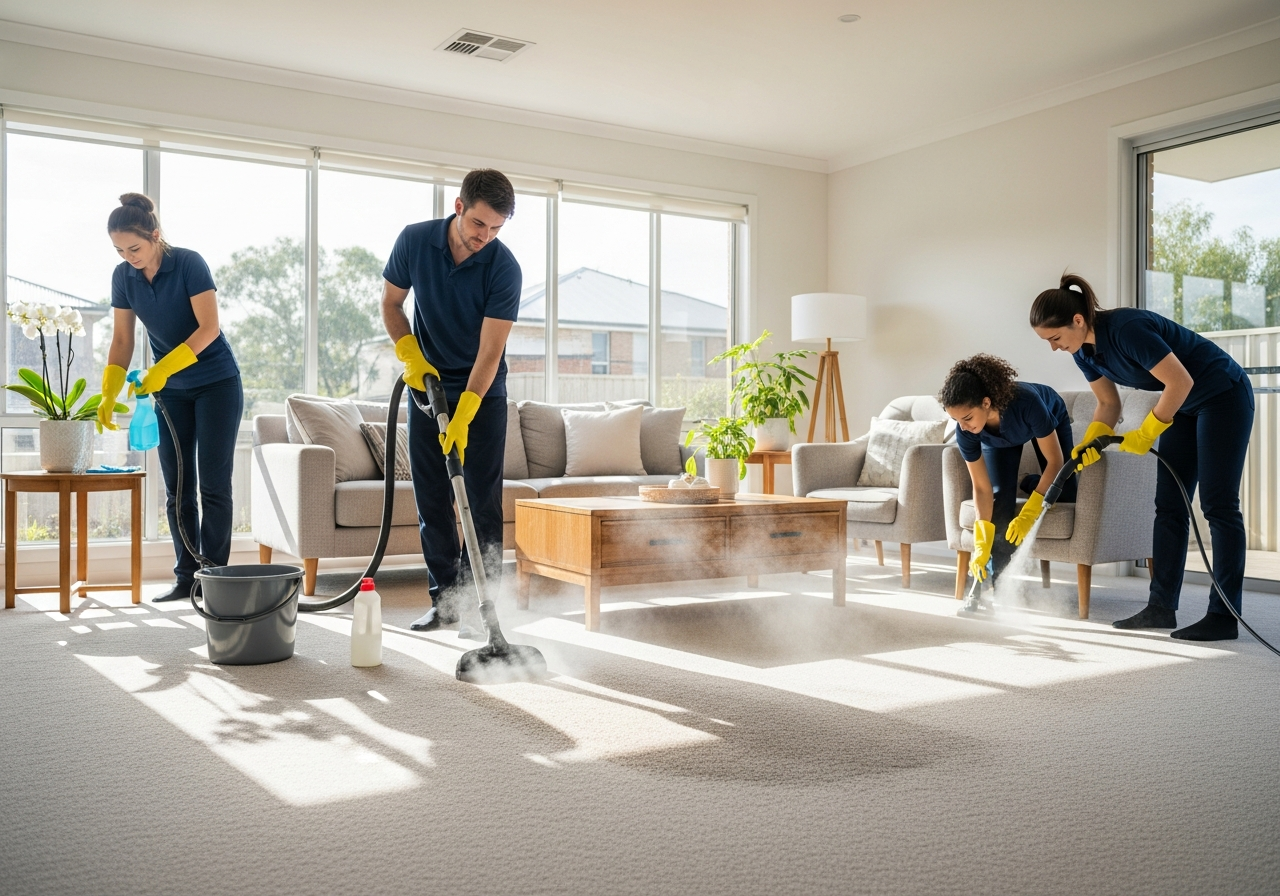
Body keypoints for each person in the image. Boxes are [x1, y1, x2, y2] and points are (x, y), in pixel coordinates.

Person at [1030, 273, 1254, 641]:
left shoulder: (1126, 328)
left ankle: (1224, 615)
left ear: (1078, 320)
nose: (1054, 347)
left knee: (1219, 505)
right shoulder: (1084, 352)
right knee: (1168, 505)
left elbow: (1180, 381)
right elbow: (1108, 402)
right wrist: (1092, 440)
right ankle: (1161, 607)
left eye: (1055, 338)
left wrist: (1148, 431)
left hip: (1222, 395)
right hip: (1185, 408)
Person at [380, 170, 521, 634]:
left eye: (497, 228)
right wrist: (410, 356)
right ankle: (444, 602)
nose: (486, 237)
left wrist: (466, 411)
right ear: (459, 206)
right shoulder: (415, 241)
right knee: (433, 499)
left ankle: (484, 606)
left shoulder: (504, 267)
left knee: (481, 501)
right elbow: (391, 304)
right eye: (480, 224)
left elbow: (490, 351)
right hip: (427, 384)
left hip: (482, 390)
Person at [101, 193, 243, 602]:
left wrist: (161, 368)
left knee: (214, 486)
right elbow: (123, 339)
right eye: (119, 250)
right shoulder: (123, 277)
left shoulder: (188, 263)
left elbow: (209, 328)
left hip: (216, 383)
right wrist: (108, 392)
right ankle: (186, 577)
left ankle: (214, 578)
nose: (128, 257)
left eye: (135, 247)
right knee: (178, 487)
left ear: (155, 237)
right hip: (170, 393)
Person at [939, 354, 1075, 615]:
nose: (964, 427)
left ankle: (1029, 482)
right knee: (1001, 500)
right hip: (1000, 440)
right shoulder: (967, 432)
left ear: (986, 402)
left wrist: (1030, 512)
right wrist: (980, 544)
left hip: (1047, 416)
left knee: (1065, 491)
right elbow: (981, 488)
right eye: (957, 421)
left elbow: (1055, 462)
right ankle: (998, 584)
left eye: (967, 417)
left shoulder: (1029, 403)